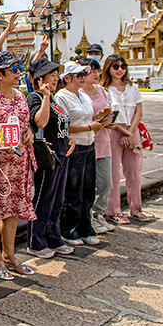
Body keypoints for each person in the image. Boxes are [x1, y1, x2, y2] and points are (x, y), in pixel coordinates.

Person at [0, 51, 37, 277]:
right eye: (13, 69)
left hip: (19, 163)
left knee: (12, 209)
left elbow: (25, 124)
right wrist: (2, 143)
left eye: (19, 68)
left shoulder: (20, 97)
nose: (18, 72)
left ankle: (9, 255)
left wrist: (29, 133)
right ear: (0, 74)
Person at [26, 58, 74, 259]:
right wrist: (45, 97)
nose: (55, 79)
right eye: (51, 76)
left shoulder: (53, 99)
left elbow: (61, 124)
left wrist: (69, 139)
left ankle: (54, 236)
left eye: (56, 76)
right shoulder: (35, 98)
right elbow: (41, 122)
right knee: (43, 198)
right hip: (47, 156)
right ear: (40, 79)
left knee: (57, 200)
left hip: (62, 153)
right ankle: (36, 240)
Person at [55, 61, 104, 247]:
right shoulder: (62, 97)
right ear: (67, 78)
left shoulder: (82, 96)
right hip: (75, 147)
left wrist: (100, 118)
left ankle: (86, 228)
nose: (83, 78)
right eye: (79, 75)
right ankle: (69, 229)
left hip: (89, 143)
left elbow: (88, 117)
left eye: (84, 74)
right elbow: (64, 126)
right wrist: (90, 126)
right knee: (73, 191)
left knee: (88, 189)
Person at [102, 55, 151, 222]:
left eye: (122, 66)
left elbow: (139, 112)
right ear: (108, 68)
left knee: (134, 171)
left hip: (132, 128)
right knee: (113, 172)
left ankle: (136, 208)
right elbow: (107, 118)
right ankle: (113, 210)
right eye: (115, 66)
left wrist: (130, 132)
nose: (120, 70)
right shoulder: (105, 90)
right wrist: (125, 133)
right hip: (115, 130)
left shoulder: (132, 87)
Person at [81, 58, 117, 235]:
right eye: (91, 71)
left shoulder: (102, 91)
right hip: (87, 141)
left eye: (97, 71)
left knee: (106, 183)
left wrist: (109, 120)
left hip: (104, 140)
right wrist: (96, 119)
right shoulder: (79, 93)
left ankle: (98, 213)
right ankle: (88, 217)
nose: (96, 74)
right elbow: (80, 121)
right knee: (88, 184)